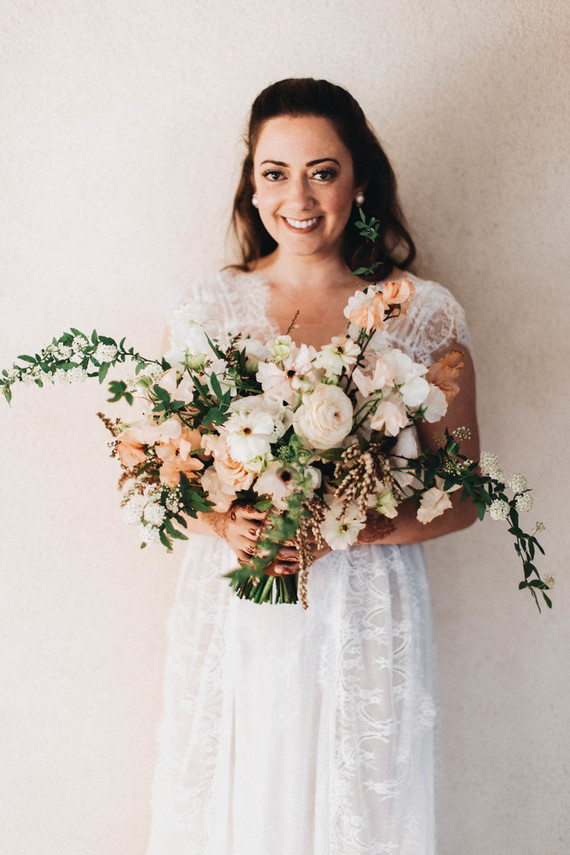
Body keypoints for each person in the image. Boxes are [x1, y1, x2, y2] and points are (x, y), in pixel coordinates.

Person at [147, 78, 479, 855]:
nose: (298, 196)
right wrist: (227, 517)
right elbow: (168, 469)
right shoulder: (206, 310)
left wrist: (350, 528)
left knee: (354, 811)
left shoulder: (422, 313)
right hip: (240, 602)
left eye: (322, 171)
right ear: (251, 182)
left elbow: (460, 496)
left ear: (359, 179)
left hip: (364, 607)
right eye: (275, 172)